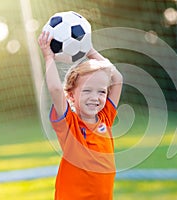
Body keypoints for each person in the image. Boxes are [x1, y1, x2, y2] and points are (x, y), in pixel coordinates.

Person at [38, 31, 123, 200]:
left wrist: (89, 49)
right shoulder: (70, 125)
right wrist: (49, 57)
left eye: (101, 91)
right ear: (70, 95)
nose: (94, 97)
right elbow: (55, 89)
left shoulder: (105, 118)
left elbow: (117, 78)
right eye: (87, 91)